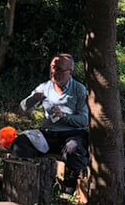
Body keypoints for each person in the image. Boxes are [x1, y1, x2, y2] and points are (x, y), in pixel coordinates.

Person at [14, 53, 90, 191]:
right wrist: (33, 99)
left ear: (70, 72)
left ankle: (69, 188)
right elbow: (21, 109)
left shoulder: (79, 90)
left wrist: (65, 117)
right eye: (53, 68)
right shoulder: (44, 87)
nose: (54, 72)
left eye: (59, 69)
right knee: (21, 142)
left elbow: (84, 121)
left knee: (73, 148)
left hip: (72, 134)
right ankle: (30, 183)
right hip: (49, 134)